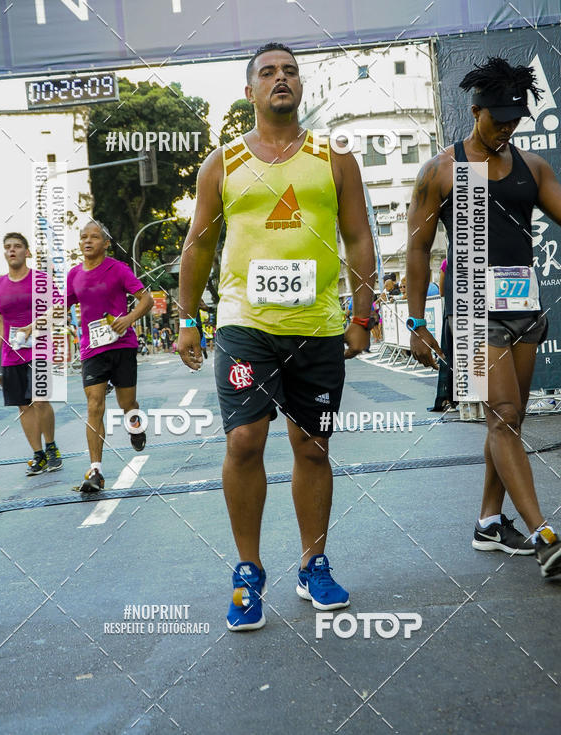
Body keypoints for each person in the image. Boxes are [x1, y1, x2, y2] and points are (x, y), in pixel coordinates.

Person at [178, 41, 375, 630]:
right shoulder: (223, 162)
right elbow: (199, 244)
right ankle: (247, 571)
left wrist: (362, 315)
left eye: (290, 70)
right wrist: (189, 318)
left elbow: (360, 237)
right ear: (250, 91)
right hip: (245, 326)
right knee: (244, 444)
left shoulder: (334, 154)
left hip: (316, 326)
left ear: (301, 86)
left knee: (312, 448)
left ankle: (313, 562)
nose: (281, 78)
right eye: (268, 72)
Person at [406, 56, 561, 579]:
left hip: (522, 306)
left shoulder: (532, 168)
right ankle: (545, 535)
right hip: (473, 306)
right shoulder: (443, 170)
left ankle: (489, 523)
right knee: (502, 416)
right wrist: (415, 323)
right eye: (497, 121)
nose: (506, 129)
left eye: (515, 121)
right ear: (474, 112)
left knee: (509, 421)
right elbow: (417, 250)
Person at [67, 220, 153, 493]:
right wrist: (33, 325)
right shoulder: (74, 275)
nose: (87, 241)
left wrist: (128, 319)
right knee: (94, 406)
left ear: (106, 244)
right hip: (93, 350)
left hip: (122, 345)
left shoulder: (118, 269)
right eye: (83, 237)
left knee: (127, 403)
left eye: (94, 237)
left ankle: (135, 427)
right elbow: (59, 308)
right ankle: (96, 470)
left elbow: (146, 299)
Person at [0, 233, 62, 475]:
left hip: (39, 350)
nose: (12, 250)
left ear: (27, 252)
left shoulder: (41, 280)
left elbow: (59, 309)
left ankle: (51, 447)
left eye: (17, 246)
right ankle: (38, 455)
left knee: (40, 400)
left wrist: (34, 325)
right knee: (23, 406)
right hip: (11, 354)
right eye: (7, 247)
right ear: (4, 253)